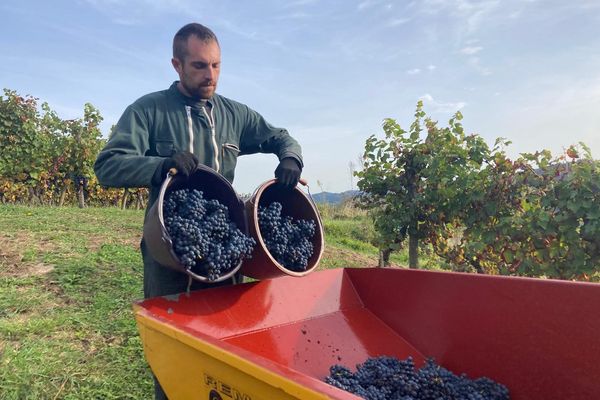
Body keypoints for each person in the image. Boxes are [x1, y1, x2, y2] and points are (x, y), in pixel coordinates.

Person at [93, 22, 303, 399]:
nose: (211, 76)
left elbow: (280, 136)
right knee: (172, 344)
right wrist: (157, 165)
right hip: (169, 243)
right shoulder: (149, 110)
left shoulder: (233, 114)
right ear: (177, 65)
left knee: (225, 341)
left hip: (224, 243)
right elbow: (108, 165)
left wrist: (290, 158)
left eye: (217, 66)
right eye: (199, 66)